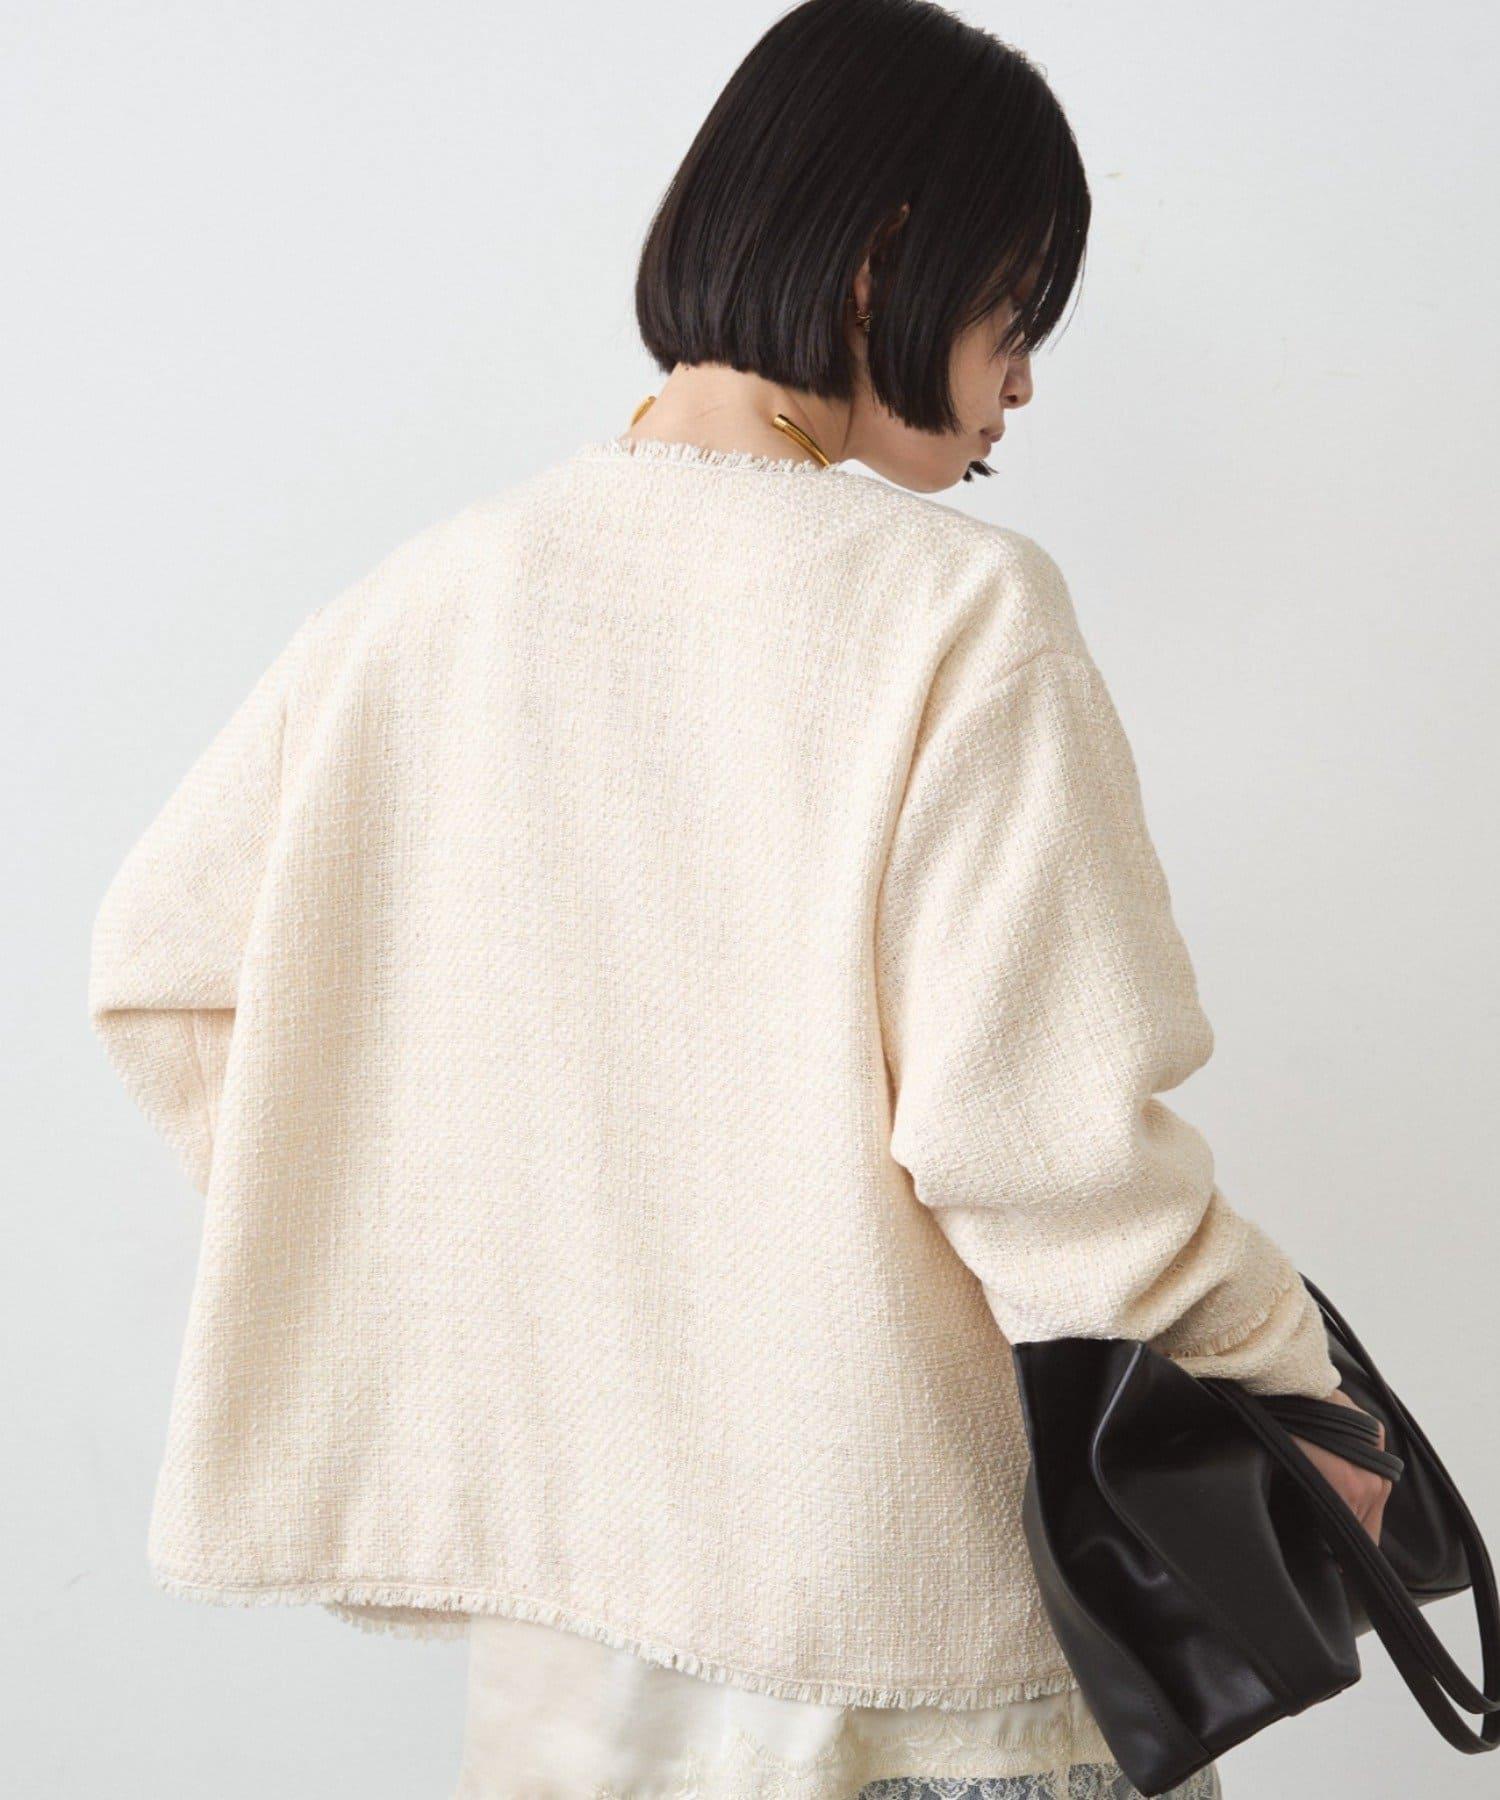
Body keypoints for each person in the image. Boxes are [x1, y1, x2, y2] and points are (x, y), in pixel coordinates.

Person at [88, 1, 1392, 1795]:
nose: (1021, 384)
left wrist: (452, 1251)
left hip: (574, 1664)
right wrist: (1286, 1383)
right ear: (880, 264)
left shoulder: (431, 602)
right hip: (909, 1653)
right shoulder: (957, 617)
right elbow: (1044, 1149)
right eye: (1013, 315)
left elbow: (165, 973)